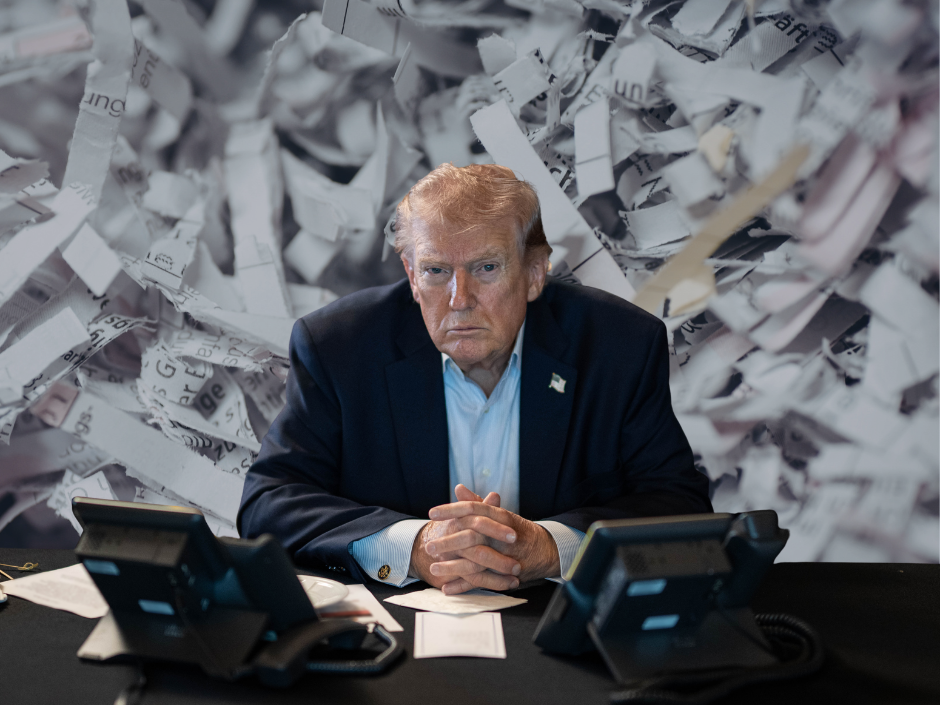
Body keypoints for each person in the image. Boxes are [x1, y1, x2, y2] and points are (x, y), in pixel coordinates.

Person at [238, 163, 711, 595]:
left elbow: (678, 505)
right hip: (399, 630)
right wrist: (413, 545)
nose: (458, 298)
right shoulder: (338, 346)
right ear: (410, 274)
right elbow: (269, 501)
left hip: (561, 627)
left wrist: (551, 546)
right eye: (436, 271)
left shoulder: (618, 346)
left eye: (486, 268)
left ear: (534, 272)